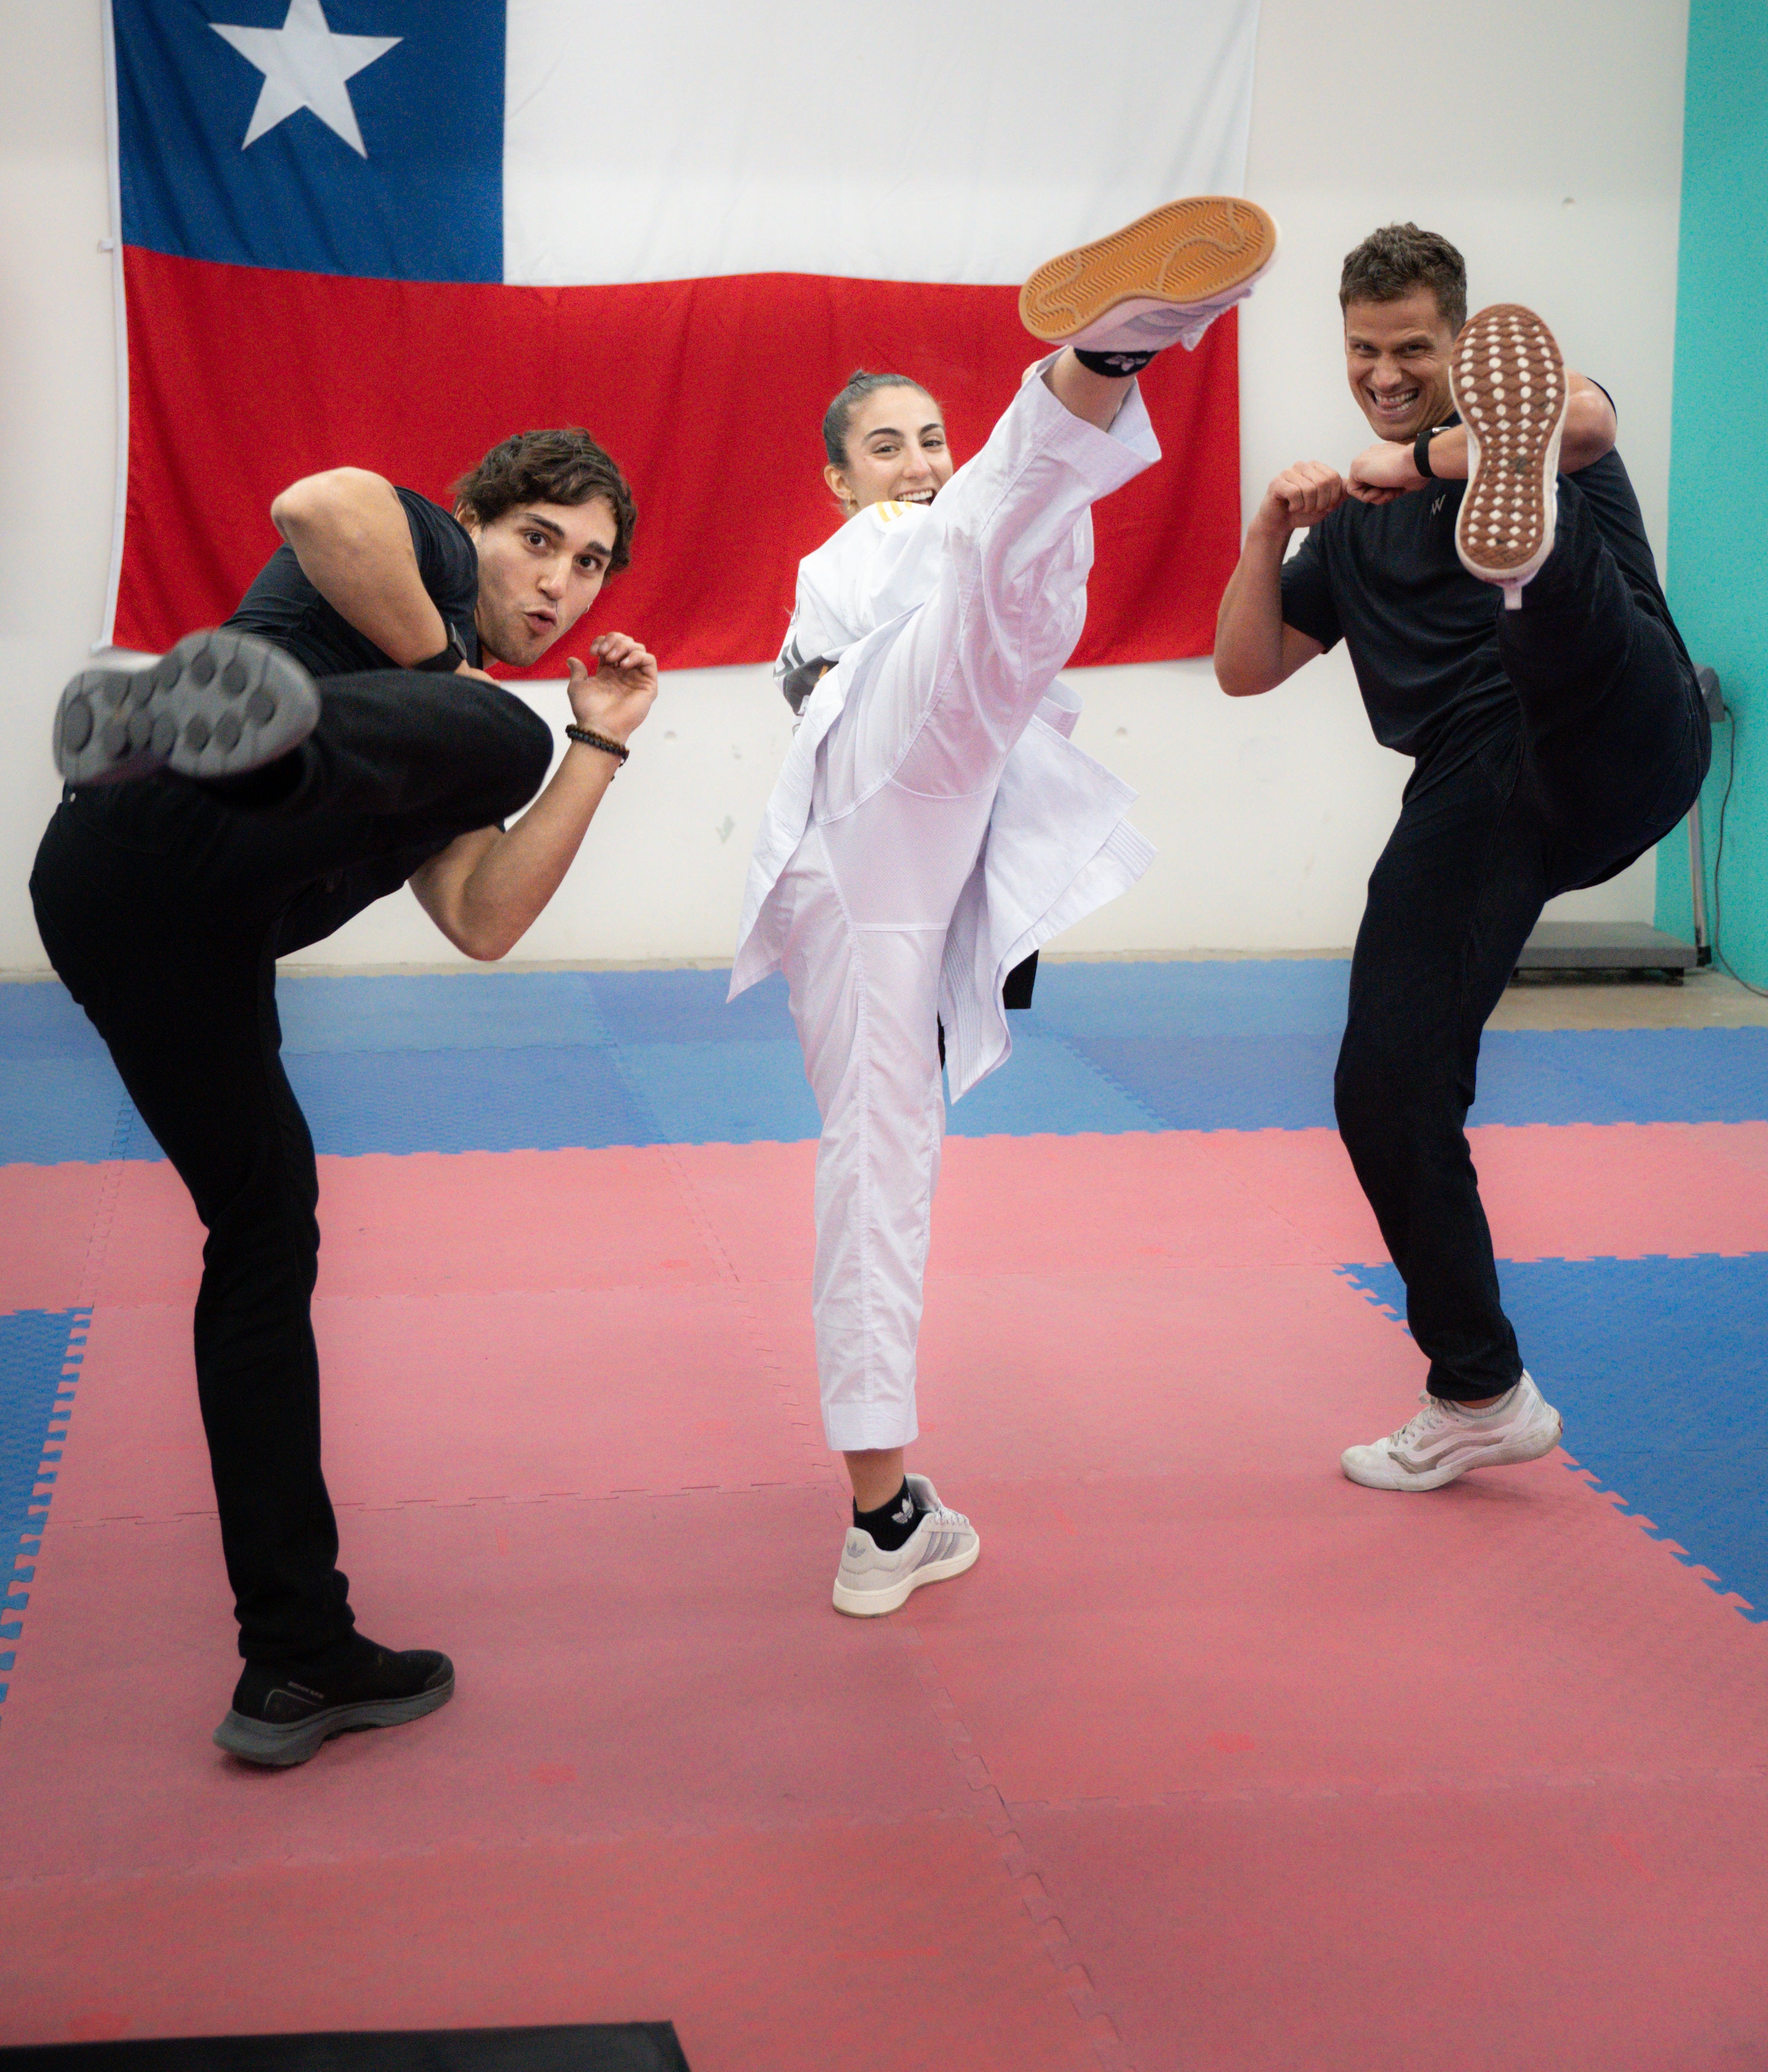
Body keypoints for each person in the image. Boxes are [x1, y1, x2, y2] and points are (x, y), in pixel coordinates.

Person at [32, 430, 658, 1764]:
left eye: (590, 565)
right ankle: (216, 743)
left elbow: (484, 921)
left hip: (144, 917)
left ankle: (296, 1657)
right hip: (153, 831)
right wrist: (454, 671)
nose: (559, 584)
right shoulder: (423, 555)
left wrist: (593, 748)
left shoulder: (432, 747)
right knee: (492, 727)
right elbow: (311, 499)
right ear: (476, 523)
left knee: (266, 1237)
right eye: (537, 539)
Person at [732, 195, 1278, 1613]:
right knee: (997, 545)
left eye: (925, 435)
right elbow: (919, 609)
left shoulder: (915, 549)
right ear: (838, 480)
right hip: (887, 764)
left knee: (879, 1153)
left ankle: (881, 1508)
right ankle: (1117, 350)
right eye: (881, 446)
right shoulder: (850, 558)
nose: (910, 458)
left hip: (886, 865)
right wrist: (1003, 466)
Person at [1214, 225, 1709, 1491]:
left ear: (1459, 344)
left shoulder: (1526, 413)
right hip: (1486, 792)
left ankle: (1525, 553)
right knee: (1381, 1082)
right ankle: (1477, 1388)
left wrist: (1429, 457)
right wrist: (1273, 522)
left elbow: (1585, 425)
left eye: (1413, 350)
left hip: (1616, 721)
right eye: (1364, 353)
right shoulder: (1356, 529)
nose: (1384, 372)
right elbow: (1244, 668)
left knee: (1553, 611)